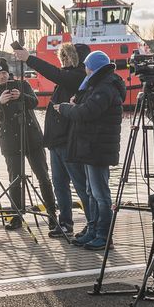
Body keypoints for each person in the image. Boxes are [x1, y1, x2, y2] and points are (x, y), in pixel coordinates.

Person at [12, 42, 92, 238]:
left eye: (68, 56)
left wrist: (29, 58)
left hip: (68, 141)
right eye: (62, 56)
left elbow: (54, 73)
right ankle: (65, 223)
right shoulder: (67, 78)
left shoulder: (78, 77)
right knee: (59, 184)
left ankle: (93, 224)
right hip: (56, 142)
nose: (64, 60)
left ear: (78, 58)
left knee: (80, 185)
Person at [56, 51, 126, 250]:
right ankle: (93, 230)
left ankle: (104, 236)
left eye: (86, 65)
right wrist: (76, 103)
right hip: (91, 147)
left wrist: (65, 109)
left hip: (98, 148)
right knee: (91, 191)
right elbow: (87, 106)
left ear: (92, 67)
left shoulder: (104, 87)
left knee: (100, 194)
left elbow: (88, 112)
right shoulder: (97, 85)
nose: (84, 68)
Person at [0, 59, 57, 230]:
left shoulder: (22, 85)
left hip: (31, 138)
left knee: (43, 177)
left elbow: (35, 102)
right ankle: (16, 216)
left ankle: (52, 214)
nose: (2, 76)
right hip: (9, 141)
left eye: (4, 73)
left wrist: (21, 96)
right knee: (15, 180)